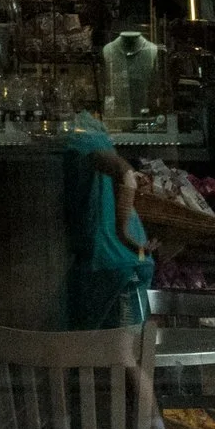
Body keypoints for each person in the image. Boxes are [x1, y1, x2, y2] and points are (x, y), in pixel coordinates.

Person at [61, 114, 153, 330]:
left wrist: (121, 232)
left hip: (109, 261)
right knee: (129, 348)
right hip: (136, 257)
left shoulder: (81, 143)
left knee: (106, 350)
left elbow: (124, 172)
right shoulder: (100, 141)